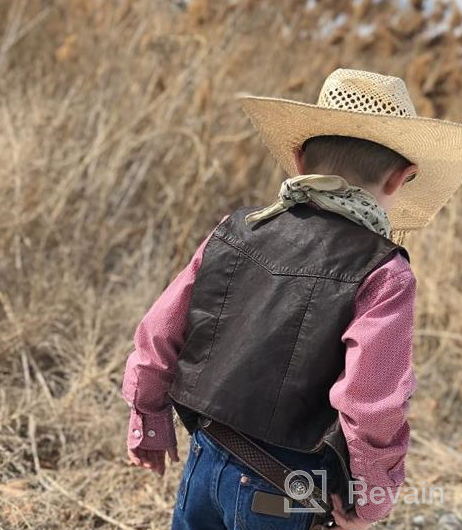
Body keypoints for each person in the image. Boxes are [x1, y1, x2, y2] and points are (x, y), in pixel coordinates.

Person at [121, 69, 462, 530]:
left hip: (205, 461)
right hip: (286, 492)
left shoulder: (234, 231)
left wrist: (149, 419)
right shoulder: (384, 272)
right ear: (402, 179)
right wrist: (371, 498)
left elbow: (159, 333)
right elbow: (371, 403)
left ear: (299, 160)